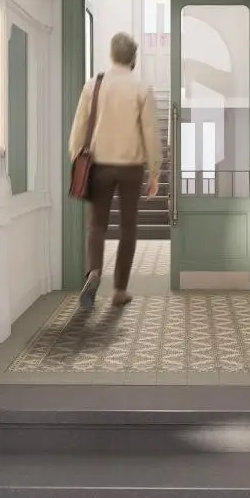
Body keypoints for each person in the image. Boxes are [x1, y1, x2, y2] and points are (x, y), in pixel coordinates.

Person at [68, 31, 162, 309]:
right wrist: (154, 171)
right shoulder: (141, 88)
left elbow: (79, 127)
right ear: (133, 58)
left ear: (111, 54)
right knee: (129, 227)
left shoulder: (93, 85)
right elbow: (150, 132)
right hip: (131, 167)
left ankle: (94, 272)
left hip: (99, 165)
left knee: (97, 224)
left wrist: (76, 157)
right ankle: (120, 290)